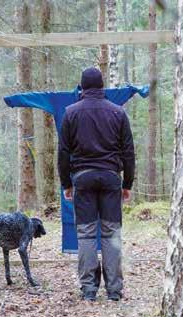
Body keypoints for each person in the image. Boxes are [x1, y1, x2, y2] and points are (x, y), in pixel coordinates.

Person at [58, 67, 135, 302]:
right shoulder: (118, 113)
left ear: (82, 87)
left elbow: (63, 152)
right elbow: (128, 152)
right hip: (111, 178)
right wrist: (127, 183)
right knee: (111, 235)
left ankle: (89, 290)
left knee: (87, 235)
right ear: (102, 86)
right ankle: (114, 290)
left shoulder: (70, 113)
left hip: (83, 178)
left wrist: (66, 183)